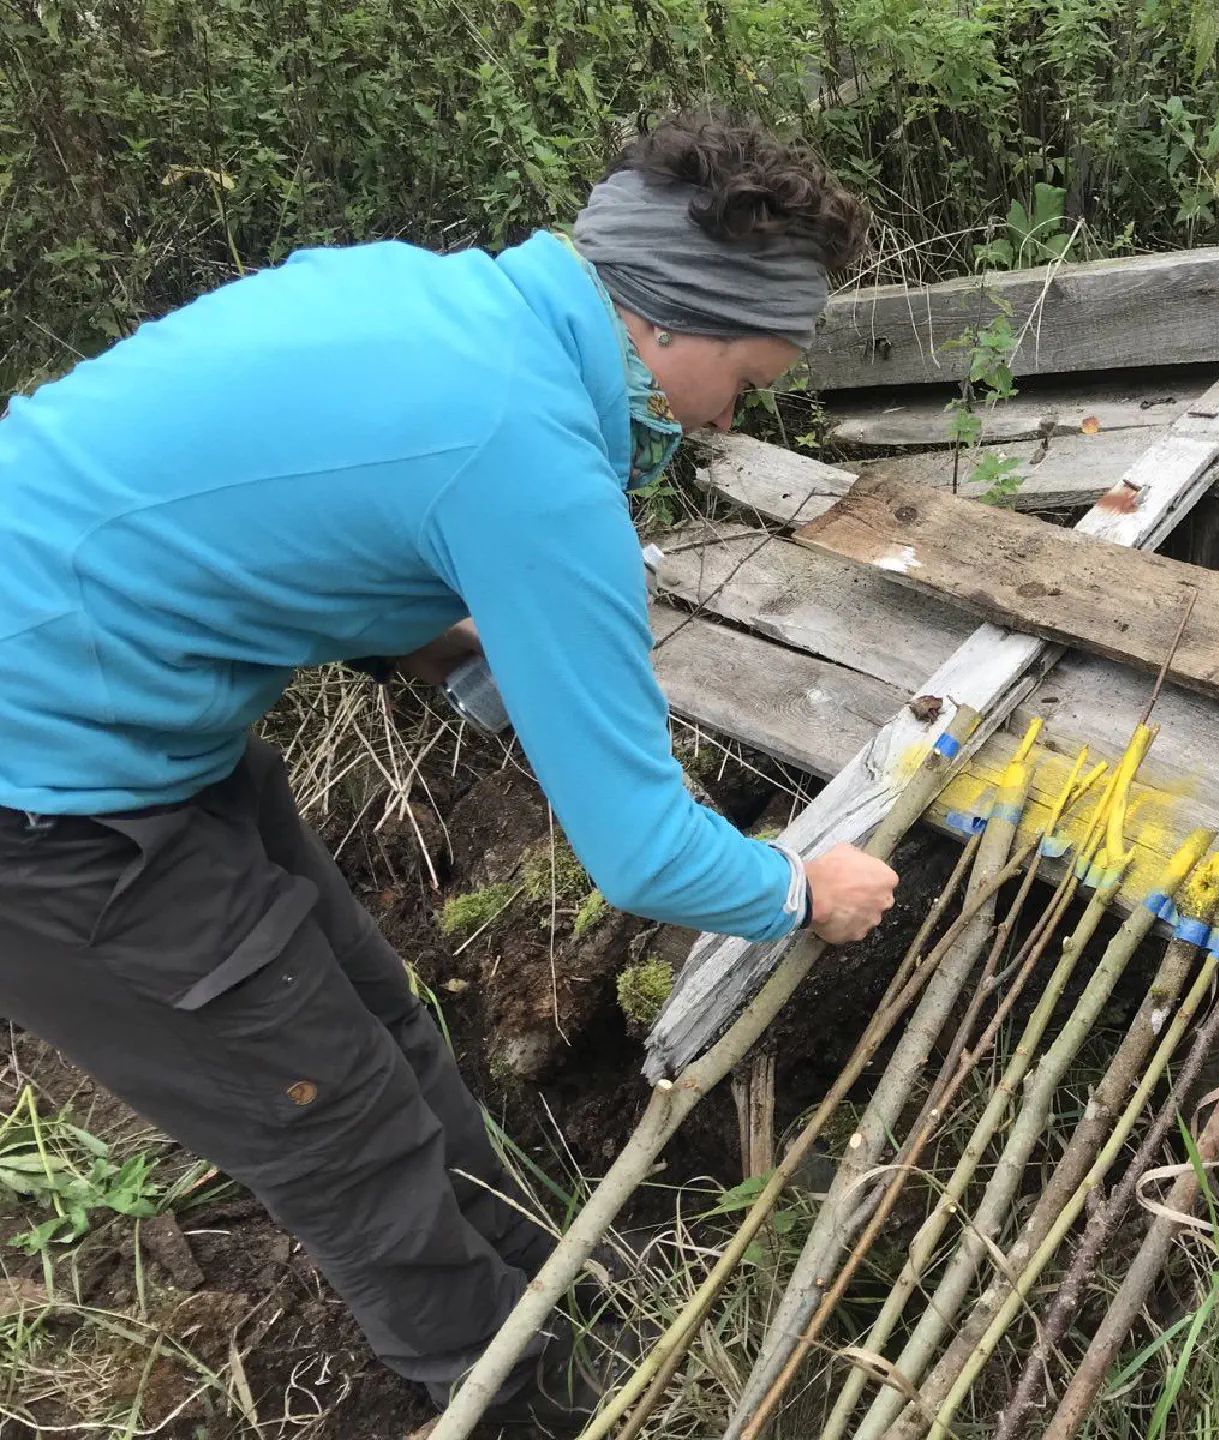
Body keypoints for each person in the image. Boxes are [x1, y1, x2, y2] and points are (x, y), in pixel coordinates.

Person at [0, 111, 899, 1427]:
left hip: (131, 719)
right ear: (676, 325)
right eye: (749, 386)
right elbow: (642, 854)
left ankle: (538, 1284)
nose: (726, 419)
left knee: (378, 1016)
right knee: (338, 1124)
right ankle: (518, 1400)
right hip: (51, 811)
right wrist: (799, 892)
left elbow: (296, 520)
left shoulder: (425, 303)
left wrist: (459, 650)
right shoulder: (526, 453)